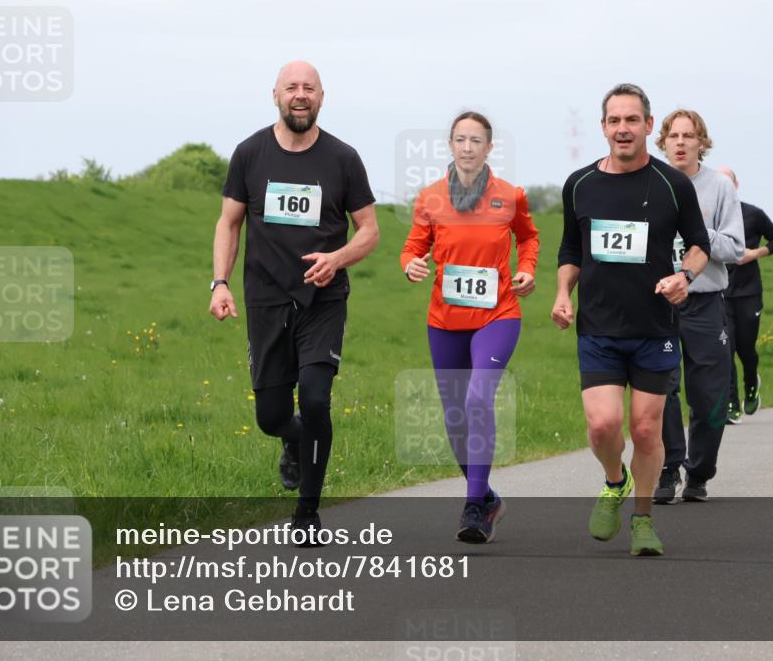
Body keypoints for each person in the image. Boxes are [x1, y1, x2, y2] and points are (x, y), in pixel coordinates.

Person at [210, 61, 379, 543]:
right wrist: (219, 283)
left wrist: (337, 258)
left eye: (309, 88)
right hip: (265, 300)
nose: (300, 95)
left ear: (322, 97)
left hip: (323, 300)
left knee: (318, 397)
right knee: (271, 418)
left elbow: (369, 231)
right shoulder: (250, 153)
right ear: (276, 96)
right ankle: (291, 438)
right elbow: (229, 223)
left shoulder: (343, 159)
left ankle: (307, 511)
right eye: (291, 88)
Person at [552, 84, 710, 556]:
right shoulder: (579, 184)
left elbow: (700, 246)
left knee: (645, 430)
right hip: (598, 328)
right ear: (603, 127)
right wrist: (563, 293)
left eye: (632, 120)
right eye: (614, 121)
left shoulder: (672, 184)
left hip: (653, 329)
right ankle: (614, 480)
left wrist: (685, 275)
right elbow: (570, 249)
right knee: (603, 427)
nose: (623, 129)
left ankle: (643, 519)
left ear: (647, 125)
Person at [401, 111, 539, 543]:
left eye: (475, 140)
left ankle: (474, 506)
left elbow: (529, 237)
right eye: (460, 139)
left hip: (498, 315)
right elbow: (412, 248)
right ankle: (489, 497)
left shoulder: (509, 196)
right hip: (445, 320)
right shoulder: (430, 198)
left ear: (488, 148)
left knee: (479, 397)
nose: (467, 147)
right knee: (455, 417)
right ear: (450, 145)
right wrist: (412, 266)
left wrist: (528, 269)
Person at [652, 109, 744, 504]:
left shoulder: (720, 188)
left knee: (709, 396)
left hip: (705, 303)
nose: (681, 142)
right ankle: (668, 467)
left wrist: (696, 232)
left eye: (689, 136)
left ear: (701, 143)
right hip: (659, 304)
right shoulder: (650, 184)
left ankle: (700, 472)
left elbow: (736, 248)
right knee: (662, 389)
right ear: (663, 141)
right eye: (673, 135)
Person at [717, 167, 773, 424]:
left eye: (728, 183)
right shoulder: (708, 216)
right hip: (721, 292)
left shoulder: (753, 214)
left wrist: (755, 254)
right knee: (727, 349)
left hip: (748, 292)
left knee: (746, 349)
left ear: (735, 185)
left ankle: (751, 384)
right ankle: (731, 405)